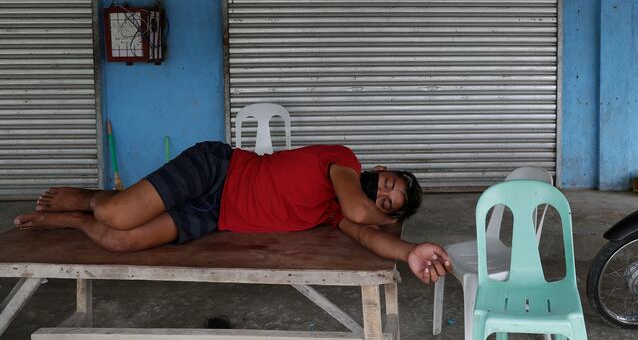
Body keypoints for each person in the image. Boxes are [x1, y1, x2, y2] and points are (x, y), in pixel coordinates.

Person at [14, 142, 451, 284]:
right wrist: (388, 216)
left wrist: (408, 250)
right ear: (380, 169)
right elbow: (360, 207)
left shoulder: (336, 214)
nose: (383, 195)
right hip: (217, 170)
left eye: (388, 202)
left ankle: (71, 219)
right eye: (390, 183)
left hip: (214, 214)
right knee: (115, 214)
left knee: (117, 240)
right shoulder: (344, 163)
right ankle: (92, 198)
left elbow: (366, 234)